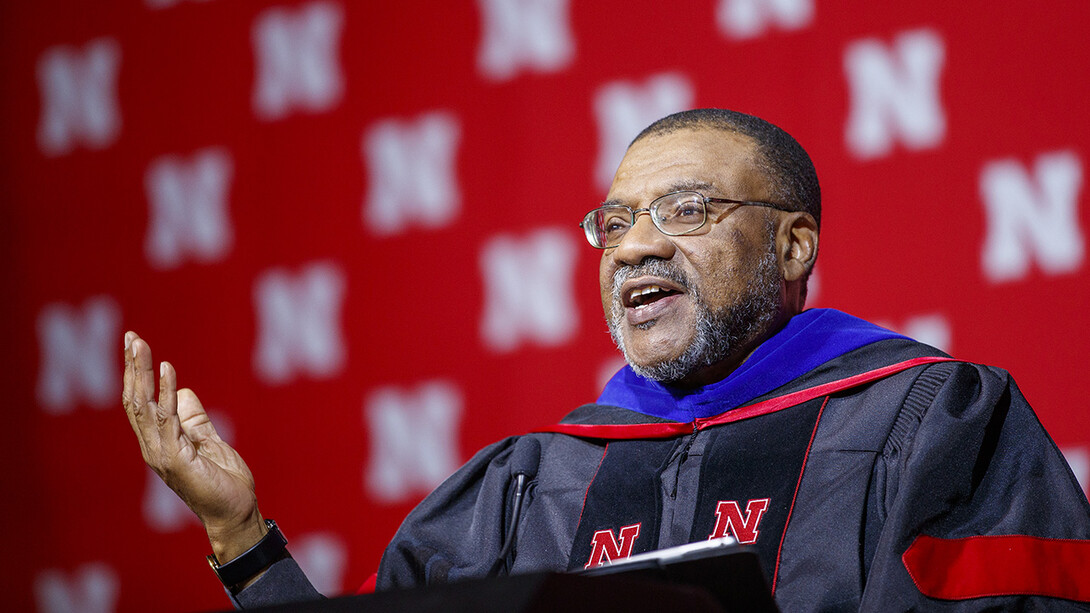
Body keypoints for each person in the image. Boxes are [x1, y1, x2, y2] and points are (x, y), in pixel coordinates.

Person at [122, 109, 1090, 611]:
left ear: (794, 247)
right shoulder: (531, 478)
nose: (633, 247)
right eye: (616, 222)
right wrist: (243, 538)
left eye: (687, 211)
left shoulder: (928, 421)